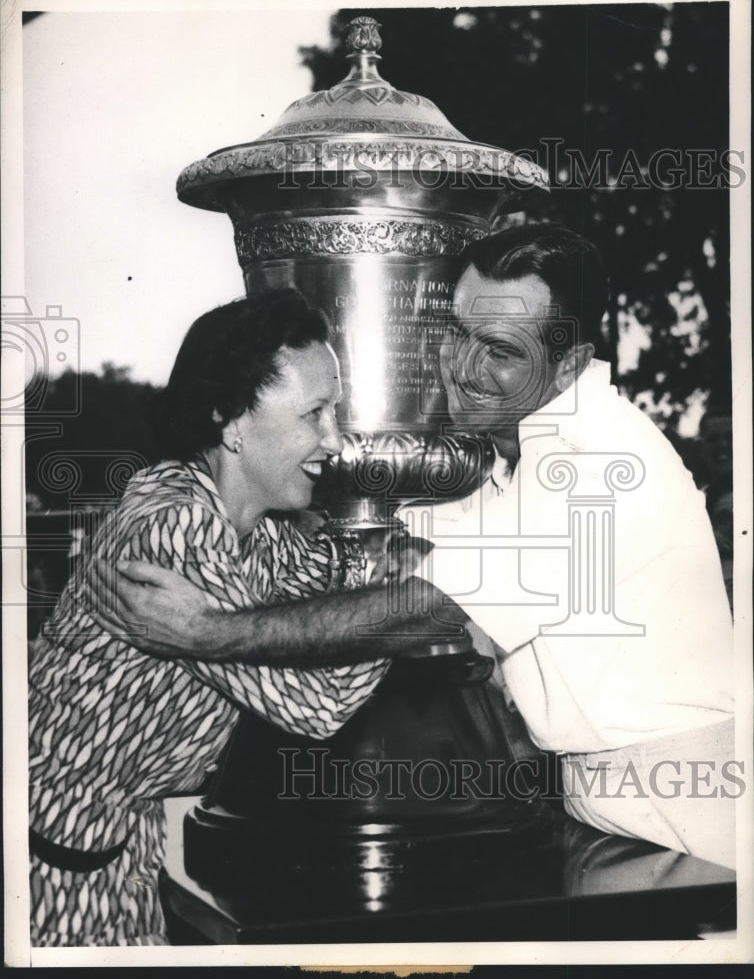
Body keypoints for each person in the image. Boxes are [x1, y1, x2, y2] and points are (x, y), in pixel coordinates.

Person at [28, 290, 457, 947]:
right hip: (46, 868)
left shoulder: (268, 530)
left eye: (333, 411)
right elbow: (321, 704)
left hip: (117, 853)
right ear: (230, 420)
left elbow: (331, 597)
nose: (335, 440)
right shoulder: (172, 526)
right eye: (313, 414)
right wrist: (397, 581)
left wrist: (372, 568)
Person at [401, 222, 736, 868]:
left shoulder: (595, 460)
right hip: (606, 804)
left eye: (499, 349)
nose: (461, 366)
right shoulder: (518, 451)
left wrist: (212, 632)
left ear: (570, 367)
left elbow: (424, 607)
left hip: (687, 810)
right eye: (457, 333)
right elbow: (410, 539)